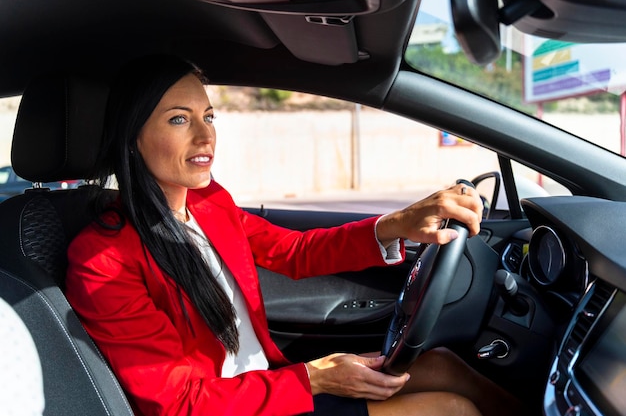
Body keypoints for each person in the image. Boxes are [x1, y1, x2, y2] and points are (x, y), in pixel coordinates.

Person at [65, 54, 522, 416]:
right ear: (132, 137)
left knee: (443, 364)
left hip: (266, 388)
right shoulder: (102, 260)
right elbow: (181, 404)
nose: (206, 136)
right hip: (231, 409)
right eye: (179, 120)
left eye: (209, 116)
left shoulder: (207, 204)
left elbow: (295, 251)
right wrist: (314, 379)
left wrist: (395, 225)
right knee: (451, 410)